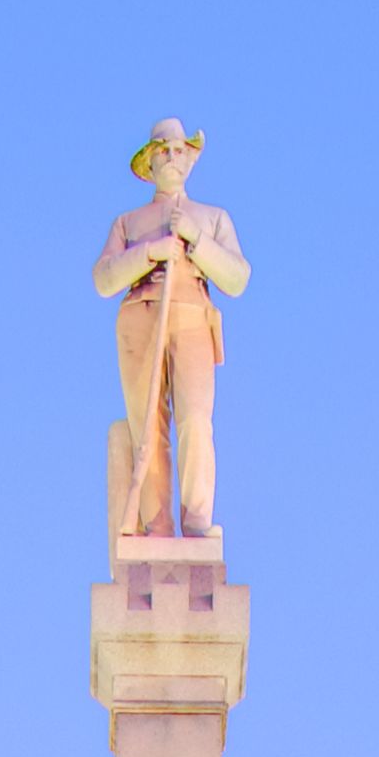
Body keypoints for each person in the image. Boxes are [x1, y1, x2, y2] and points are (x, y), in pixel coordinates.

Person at [95, 119, 247, 541]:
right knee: (147, 425)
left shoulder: (212, 218)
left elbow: (237, 278)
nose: (172, 157)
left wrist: (195, 239)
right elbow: (103, 279)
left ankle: (196, 522)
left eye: (180, 150)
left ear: (191, 159)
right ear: (150, 162)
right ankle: (157, 526)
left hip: (192, 315)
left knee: (196, 420)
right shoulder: (128, 223)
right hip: (141, 315)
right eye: (163, 150)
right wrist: (150, 253)